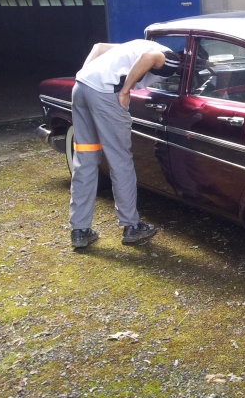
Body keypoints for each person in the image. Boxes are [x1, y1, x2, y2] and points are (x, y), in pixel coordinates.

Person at [69, 40, 181, 249]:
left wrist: (85, 76)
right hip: (106, 95)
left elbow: (99, 47)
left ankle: (79, 230)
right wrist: (125, 90)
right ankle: (131, 226)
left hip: (81, 88)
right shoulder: (172, 60)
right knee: (120, 160)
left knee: (85, 158)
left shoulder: (136, 44)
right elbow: (149, 59)